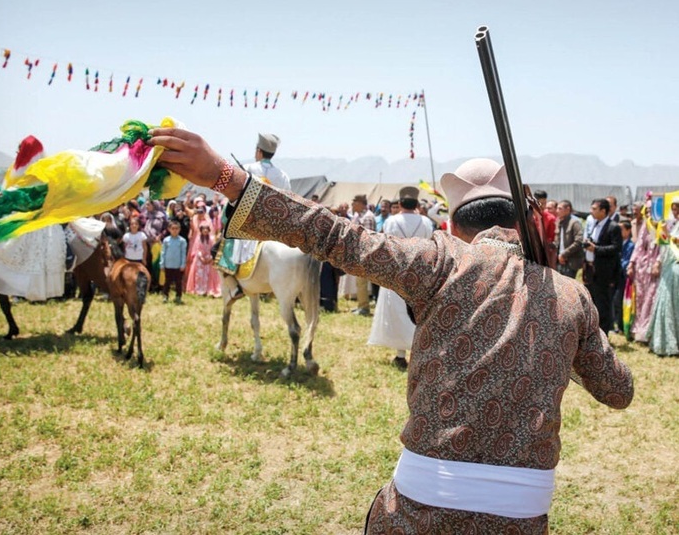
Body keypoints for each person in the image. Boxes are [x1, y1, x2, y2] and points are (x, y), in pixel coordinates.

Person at [148, 128, 634, 533]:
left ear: (454, 225)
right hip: (523, 517)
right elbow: (619, 391)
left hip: (422, 505)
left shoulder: (440, 261)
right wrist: (561, 337)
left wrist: (225, 176)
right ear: (525, 219)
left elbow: (334, 235)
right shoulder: (571, 296)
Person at [217, 133, 290, 302]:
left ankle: (235, 287)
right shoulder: (283, 175)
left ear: (259, 151)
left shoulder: (248, 169)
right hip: (274, 227)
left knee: (221, 248)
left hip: (249, 225)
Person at [368, 186, 433, 369]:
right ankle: (418, 353)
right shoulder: (426, 222)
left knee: (398, 313)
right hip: (421, 273)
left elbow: (386, 244)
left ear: (401, 203)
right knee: (419, 313)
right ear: (416, 203)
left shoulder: (391, 221)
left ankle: (400, 354)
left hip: (397, 273)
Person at [582, 198, 622, 335]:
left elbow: (616, 248)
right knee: (591, 302)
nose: (591, 211)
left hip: (603, 272)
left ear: (603, 211)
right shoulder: (595, 224)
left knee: (602, 304)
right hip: (590, 270)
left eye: (594, 209)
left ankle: (603, 334)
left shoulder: (614, 227)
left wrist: (596, 249)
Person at [646, 196, 679, 356]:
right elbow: (666, 244)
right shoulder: (674, 225)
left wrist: (668, 235)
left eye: (677, 208)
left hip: (676, 269)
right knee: (666, 301)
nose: (675, 212)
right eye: (674, 208)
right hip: (669, 267)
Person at [627, 201, 661, 343]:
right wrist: (631, 263)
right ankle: (639, 330)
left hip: (655, 268)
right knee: (640, 298)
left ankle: (649, 331)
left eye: (650, 211)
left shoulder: (662, 226)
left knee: (651, 299)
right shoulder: (646, 227)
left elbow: (665, 248)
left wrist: (658, 262)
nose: (648, 214)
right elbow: (639, 246)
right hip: (641, 268)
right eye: (646, 211)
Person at [350, 194, 376, 316]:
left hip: (364, 254)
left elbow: (368, 239)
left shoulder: (368, 217)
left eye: (354, 203)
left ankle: (364, 308)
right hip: (358, 252)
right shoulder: (358, 216)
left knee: (362, 282)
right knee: (359, 282)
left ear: (360, 203)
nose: (352, 205)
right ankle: (361, 305)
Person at [186, 222, 221, 298]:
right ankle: (199, 289)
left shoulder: (211, 239)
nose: (205, 230)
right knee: (199, 275)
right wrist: (201, 257)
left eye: (206, 229)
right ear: (201, 230)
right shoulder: (198, 239)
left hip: (209, 259)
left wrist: (211, 258)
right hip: (200, 259)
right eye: (203, 229)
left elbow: (214, 249)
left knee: (209, 275)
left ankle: (209, 289)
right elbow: (197, 249)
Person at [612, 220, 634, 333]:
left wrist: (617, 264)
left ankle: (620, 326)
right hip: (615, 275)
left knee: (619, 300)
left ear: (628, 230)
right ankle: (615, 322)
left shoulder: (630, 245)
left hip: (623, 277)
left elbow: (627, 261)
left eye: (621, 229)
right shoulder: (617, 243)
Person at [159, 219, 187, 304]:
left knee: (178, 282)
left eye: (176, 228)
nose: (174, 230)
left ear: (179, 229)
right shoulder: (166, 240)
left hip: (178, 265)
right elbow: (163, 252)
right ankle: (165, 296)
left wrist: (183, 264)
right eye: (173, 228)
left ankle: (178, 296)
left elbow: (183, 253)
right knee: (167, 282)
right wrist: (162, 264)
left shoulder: (182, 241)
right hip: (168, 264)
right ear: (169, 229)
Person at [554, 199, 584, 278]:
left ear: (568, 209)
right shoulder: (559, 222)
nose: (557, 211)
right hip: (560, 261)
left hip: (571, 261)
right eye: (557, 208)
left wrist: (564, 254)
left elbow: (579, 241)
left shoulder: (574, 223)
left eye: (560, 208)